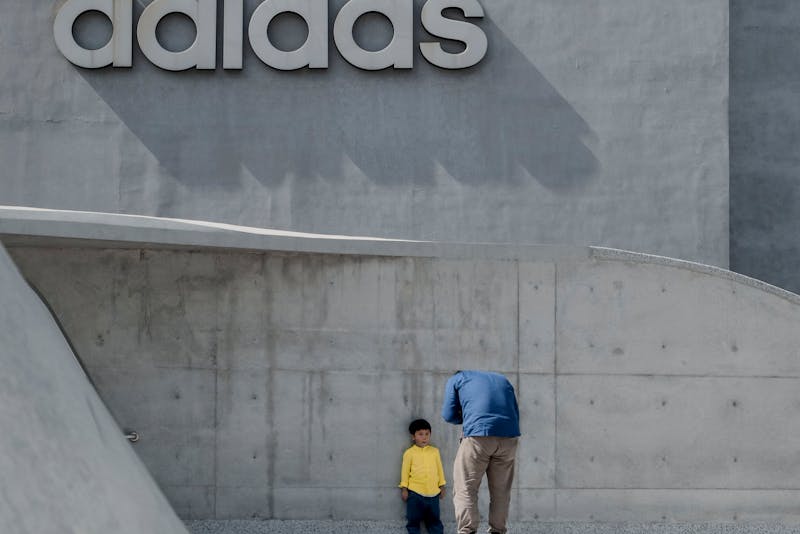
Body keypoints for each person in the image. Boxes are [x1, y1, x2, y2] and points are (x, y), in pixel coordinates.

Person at [441, 370, 520, 534]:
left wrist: (468, 417)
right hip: (509, 436)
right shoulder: (502, 379)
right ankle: (498, 531)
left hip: (478, 436)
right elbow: (514, 410)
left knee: (465, 487)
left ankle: (467, 531)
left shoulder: (456, 378)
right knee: (501, 491)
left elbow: (448, 415)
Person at [399, 418, 446, 534]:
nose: (424, 437)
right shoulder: (409, 453)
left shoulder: (435, 451)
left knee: (434, 520)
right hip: (415, 494)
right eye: (420, 434)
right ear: (413, 436)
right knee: (413, 521)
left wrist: (442, 486)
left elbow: (439, 469)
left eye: (427, 434)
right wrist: (404, 489)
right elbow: (404, 472)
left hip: (434, 493)